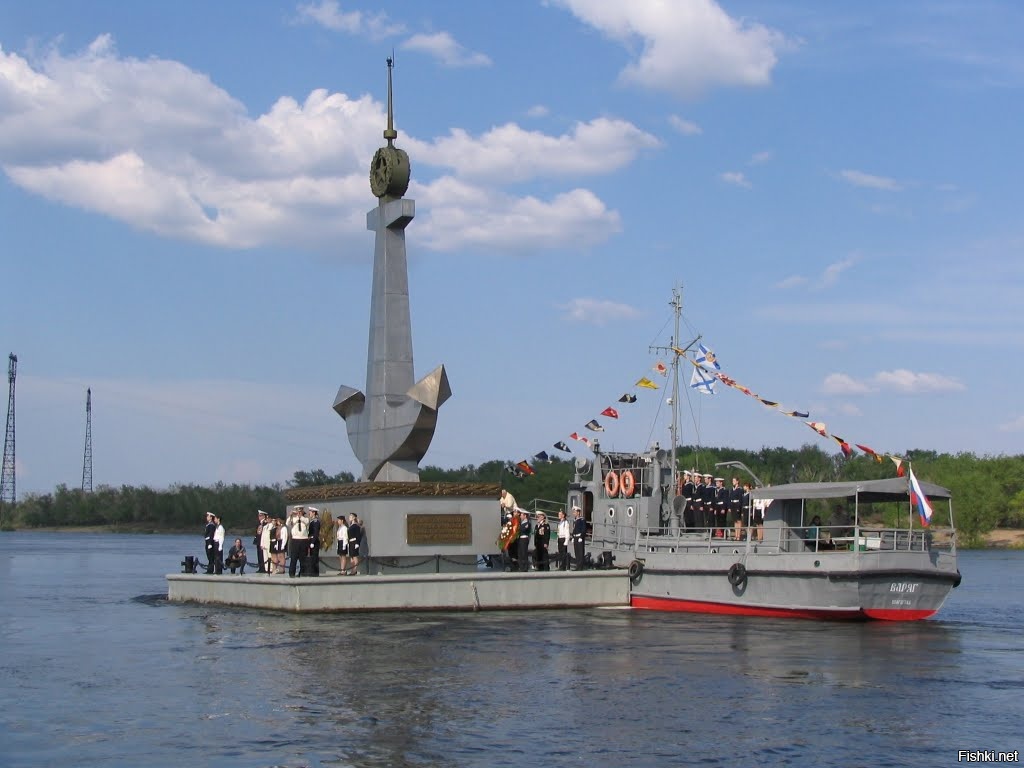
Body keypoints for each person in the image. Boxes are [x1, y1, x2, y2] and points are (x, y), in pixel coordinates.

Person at [287, 506, 309, 577]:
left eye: (300, 511)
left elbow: (307, 522)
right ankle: (291, 573)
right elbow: (287, 523)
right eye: (298, 511)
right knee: (294, 558)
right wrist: (291, 515)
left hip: (303, 539)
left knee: (303, 558)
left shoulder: (305, 519)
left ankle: (302, 573)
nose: (299, 512)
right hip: (295, 540)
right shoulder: (293, 519)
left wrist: (300, 517)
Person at [571, 505, 587, 570]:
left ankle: (580, 566)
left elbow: (583, 529)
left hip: (580, 537)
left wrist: (581, 537)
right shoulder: (575, 520)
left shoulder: (582, 520)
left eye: (575, 512)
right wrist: (573, 537)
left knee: (580, 552)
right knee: (576, 552)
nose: (573, 513)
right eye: (573, 512)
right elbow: (574, 529)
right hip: (575, 537)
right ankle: (577, 565)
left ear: (578, 512)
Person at [729, 477, 745, 541]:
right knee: (735, 520)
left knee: (738, 520)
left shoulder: (740, 489)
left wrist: (739, 507)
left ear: (737, 481)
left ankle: (739, 535)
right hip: (733, 505)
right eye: (732, 480)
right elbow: (730, 498)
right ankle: (736, 535)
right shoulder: (732, 489)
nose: (733, 482)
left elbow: (740, 499)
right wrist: (730, 507)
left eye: (734, 480)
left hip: (737, 505)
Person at [307, 507, 322, 577]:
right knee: (312, 557)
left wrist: (313, 542)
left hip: (314, 541)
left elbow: (316, 533)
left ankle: (315, 573)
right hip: (311, 540)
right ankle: (312, 571)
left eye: (310, 512)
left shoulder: (316, 521)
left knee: (315, 557)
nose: (309, 513)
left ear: (314, 513)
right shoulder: (312, 521)